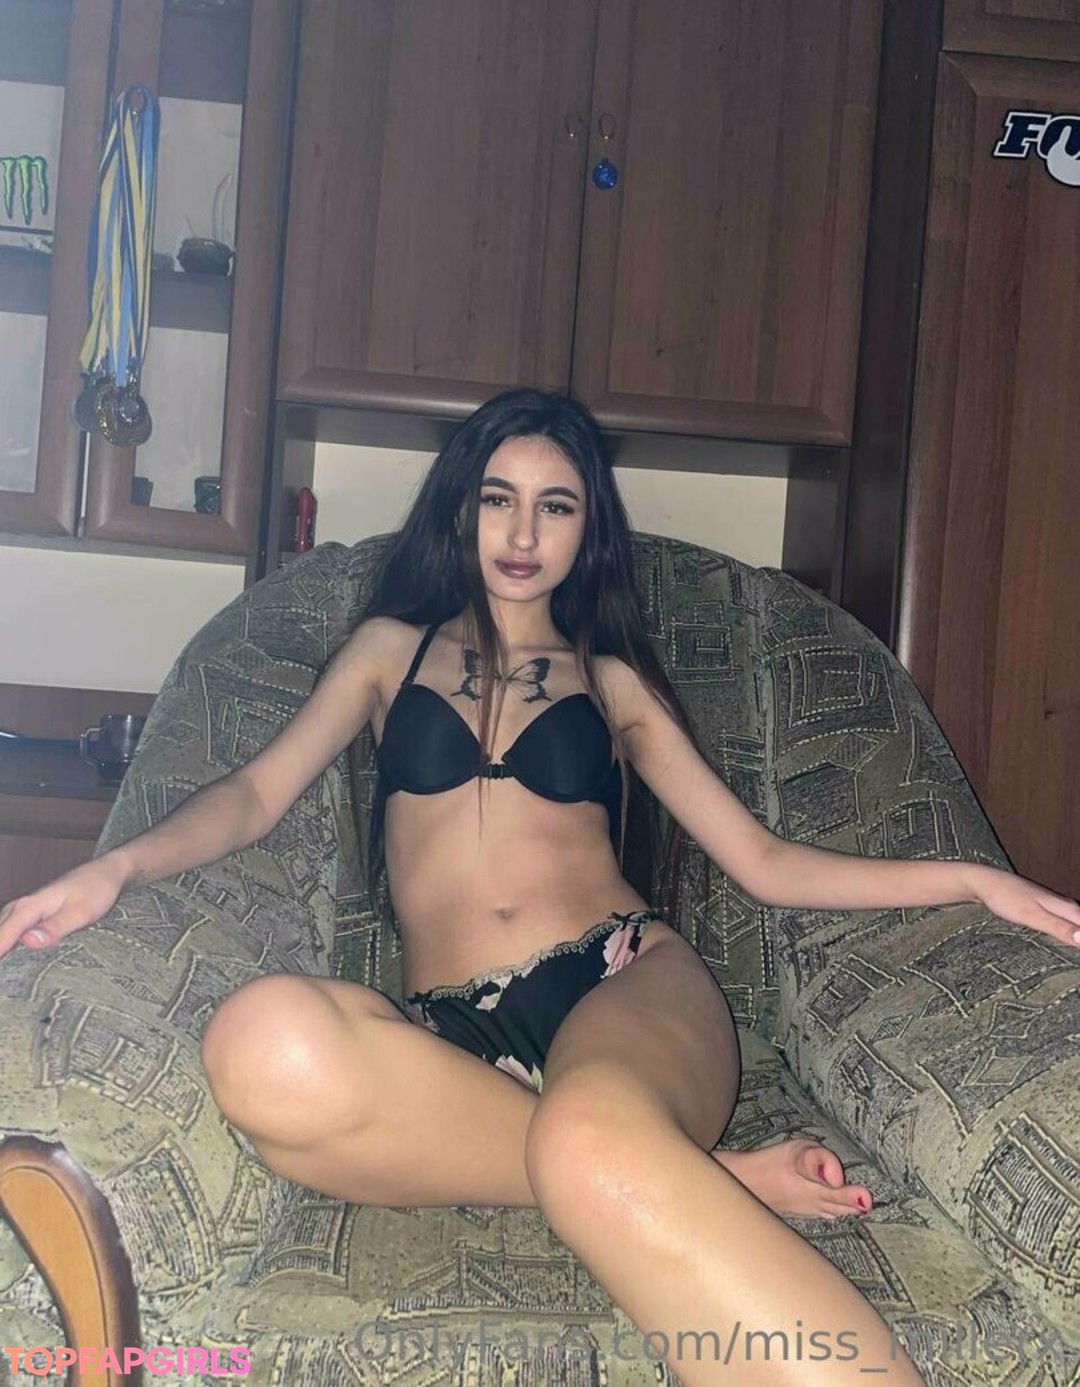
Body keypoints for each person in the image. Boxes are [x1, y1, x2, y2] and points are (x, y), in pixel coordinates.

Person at [2, 389, 1078, 1387]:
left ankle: (624, 1151)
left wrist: (971, 876)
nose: (522, 533)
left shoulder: (610, 679)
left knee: (587, 1127)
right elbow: (251, 795)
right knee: (261, 1043)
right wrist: (115, 865)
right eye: (498, 500)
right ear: (460, 510)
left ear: (586, 529)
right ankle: (692, 1172)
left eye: (555, 506)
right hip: (454, 1039)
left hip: (621, 979)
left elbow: (764, 861)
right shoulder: (385, 653)